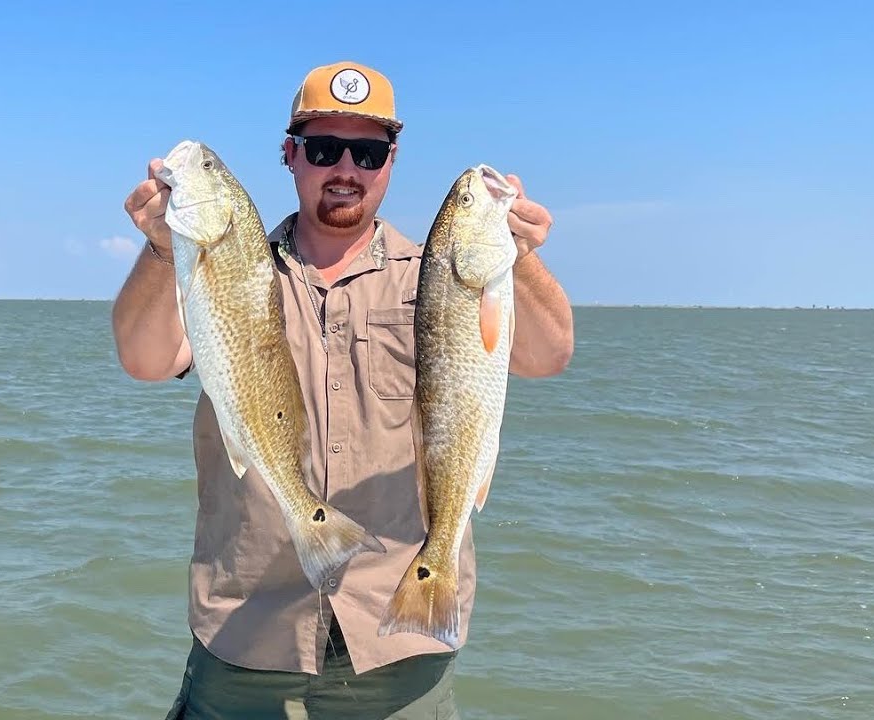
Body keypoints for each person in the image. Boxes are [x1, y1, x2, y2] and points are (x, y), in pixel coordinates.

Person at [113, 61, 574, 719]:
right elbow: (143, 358)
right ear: (290, 155)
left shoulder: (437, 273)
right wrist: (163, 251)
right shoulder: (235, 269)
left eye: (369, 150)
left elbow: (549, 354)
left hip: (400, 644)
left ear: (391, 160)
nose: (346, 168)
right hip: (247, 636)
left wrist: (521, 258)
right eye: (325, 148)